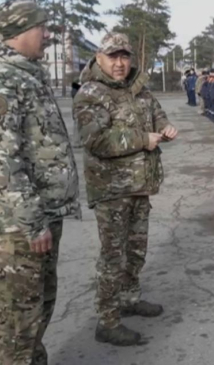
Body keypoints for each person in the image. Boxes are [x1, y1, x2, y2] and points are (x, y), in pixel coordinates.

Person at [0, 0, 81, 365]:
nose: (46, 35)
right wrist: (31, 222)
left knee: (37, 311)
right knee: (18, 324)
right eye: (41, 27)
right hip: (18, 226)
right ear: (17, 32)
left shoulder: (24, 72)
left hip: (39, 216)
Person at [74, 32, 178, 347]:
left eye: (124, 56)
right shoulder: (91, 94)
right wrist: (142, 139)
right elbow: (95, 140)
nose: (119, 63)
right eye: (112, 57)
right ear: (99, 58)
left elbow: (156, 113)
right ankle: (107, 320)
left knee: (135, 251)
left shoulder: (139, 89)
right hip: (111, 190)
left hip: (140, 185)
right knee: (113, 256)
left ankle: (130, 298)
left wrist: (164, 127)